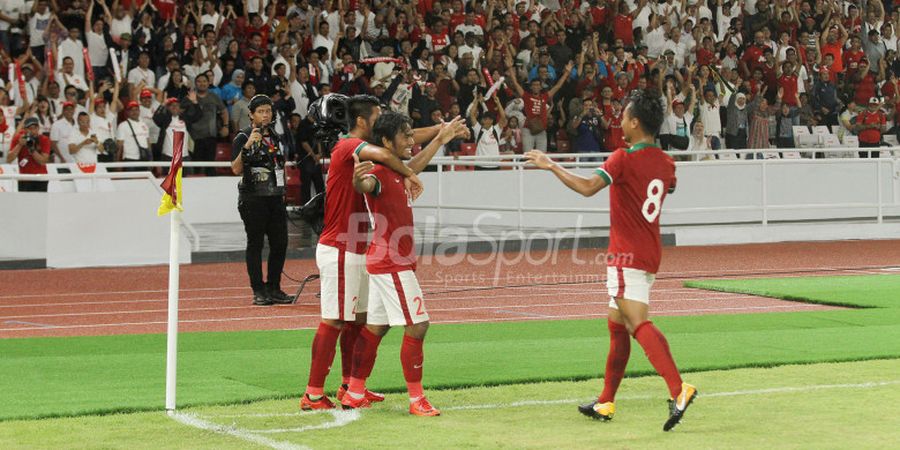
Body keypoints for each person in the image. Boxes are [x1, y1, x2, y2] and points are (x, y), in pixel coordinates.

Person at [523, 89, 697, 432]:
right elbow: (669, 187)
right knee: (617, 326)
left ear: (635, 122)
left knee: (636, 324)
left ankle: (679, 388)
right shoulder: (666, 162)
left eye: (624, 117)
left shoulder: (622, 157)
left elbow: (588, 187)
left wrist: (550, 164)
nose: (620, 122)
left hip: (625, 254)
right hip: (649, 253)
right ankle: (605, 401)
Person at [300, 94, 465, 411]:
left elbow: (400, 155)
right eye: (378, 117)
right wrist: (415, 163)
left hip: (365, 249)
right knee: (335, 320)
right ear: (362, 121)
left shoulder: (384, 162)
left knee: (364, 323)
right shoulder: (350, 147)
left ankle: (353, 388)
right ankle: (313, 393)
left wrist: (438, 135)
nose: (382, 120)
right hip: (342, 247)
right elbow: (389, 162)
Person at [230, 95, 294, 306]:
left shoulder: (275, 136)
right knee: (255, 245)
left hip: (275, 197)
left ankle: (274, 287)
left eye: (268, 111)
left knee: (280, 243)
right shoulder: (242, 136)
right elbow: (236, 169)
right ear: (251, 115)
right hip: (253, 199)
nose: (265, 115)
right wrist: (248, 145)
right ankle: (258, 290)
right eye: (261, 112)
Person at [6, 117, 51, 192]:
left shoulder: (44, 139)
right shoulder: (18, 139)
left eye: (35, 128)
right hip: (25, 178)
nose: (32, 131)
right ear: (25, 129)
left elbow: (43, 161)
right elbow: (9, 159)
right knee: (24, 203)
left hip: (40, 177)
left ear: (38, 128)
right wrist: (19, 145)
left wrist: (32, 149)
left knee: (41, 203)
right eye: (29, 128)